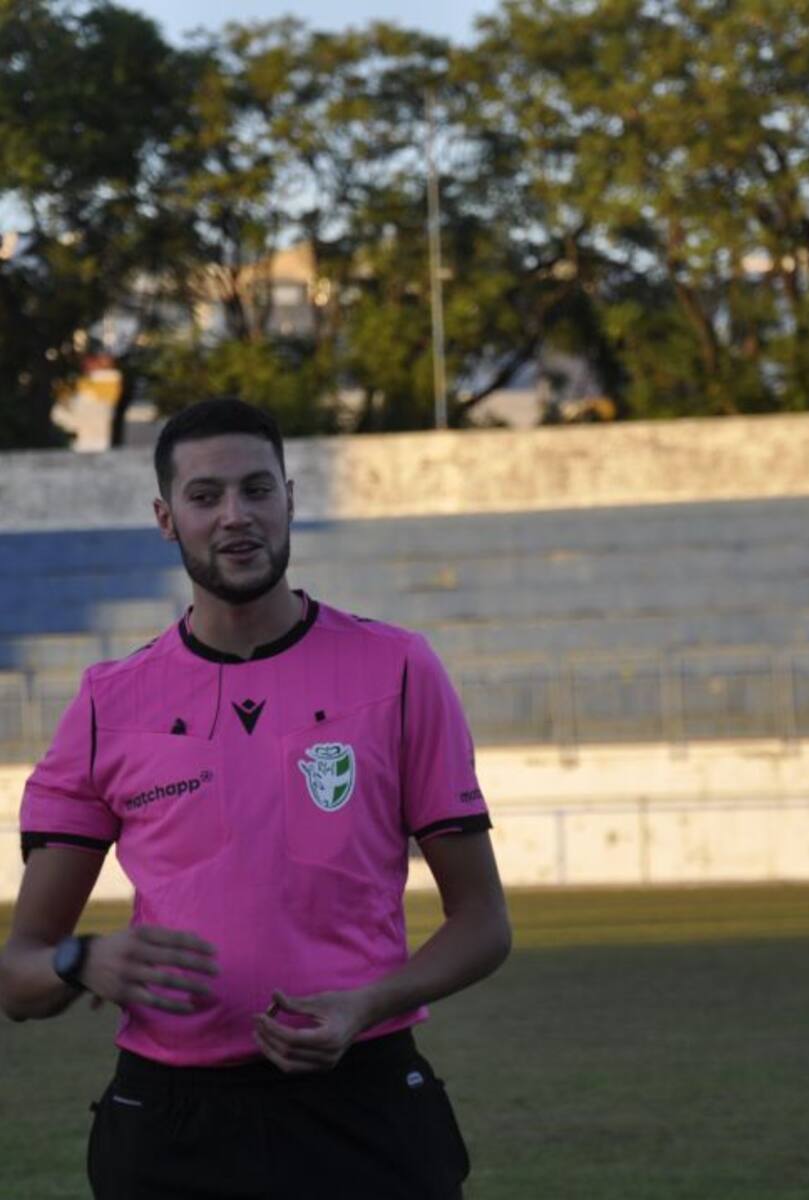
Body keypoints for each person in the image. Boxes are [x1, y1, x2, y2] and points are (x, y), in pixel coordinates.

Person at [0, 398, 511, 1200]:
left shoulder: (399, 670)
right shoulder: (108, 703)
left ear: (291, 501)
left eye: (257, 490)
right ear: (167, 519)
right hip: (173, 1127)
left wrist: (366, 1006)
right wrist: (83, 959)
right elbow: (18, 975)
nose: (236, 516)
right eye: (205, 497)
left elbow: (483, 923)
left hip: (364, 1108)